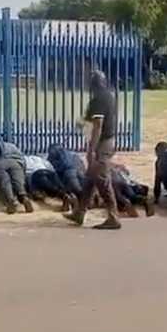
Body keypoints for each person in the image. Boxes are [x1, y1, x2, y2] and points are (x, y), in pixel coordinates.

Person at [64, 70, 121, 230]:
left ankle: (113, 216)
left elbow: (98, 125)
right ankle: (80, 213)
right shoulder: (108, 96)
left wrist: (91, 149)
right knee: (90, 179)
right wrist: (82, 123)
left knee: (102, 180)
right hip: (108, 141)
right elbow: (90, 119)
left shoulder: (98, 100)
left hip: (102, 143)